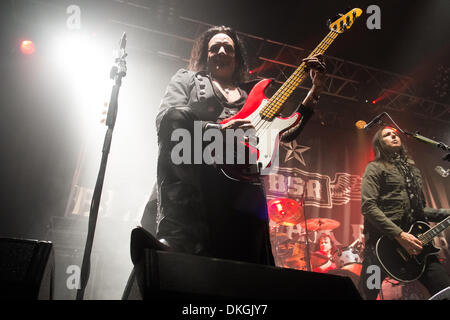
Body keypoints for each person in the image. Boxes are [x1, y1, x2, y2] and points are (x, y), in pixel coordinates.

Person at [151, 25, 326, 265]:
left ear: (237, 57)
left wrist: (314, 90)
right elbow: (167, 120)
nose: (221, 51)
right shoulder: (186, 79)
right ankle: (177, 237)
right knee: (176, 116)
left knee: (244, 269)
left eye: (228, 48)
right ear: (205, 55)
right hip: (198, 166)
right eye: (214, 48)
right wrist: (217, 130)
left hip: (242, 179)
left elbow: (286, 133)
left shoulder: (252, 92)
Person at [358, 126, 450, 300]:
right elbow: (368, 206)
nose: (393, 135)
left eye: (395, 134)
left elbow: (420, 211)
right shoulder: (375, 168)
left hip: (417, 243)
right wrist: (399, 235)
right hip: (380, 245)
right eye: (387, 135)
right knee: (367, 294)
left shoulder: (413, 172)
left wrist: (446, 213)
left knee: (445, 291)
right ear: (379, 143)